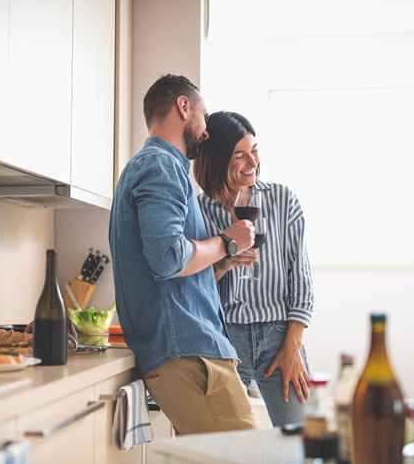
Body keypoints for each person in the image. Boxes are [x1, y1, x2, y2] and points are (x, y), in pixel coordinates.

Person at [109, 75, 258, 434]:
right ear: (184, 107)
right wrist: (228, 241)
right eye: (204, 118)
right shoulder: (162, 166)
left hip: (189, 349)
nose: (206, 131)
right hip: (189, 352)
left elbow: (172, 260)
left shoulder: (157, 167)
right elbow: (169, 258)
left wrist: (219, 260)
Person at [193, 111, 315, 427]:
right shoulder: (200, 210)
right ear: (218, 159)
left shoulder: (283, 200)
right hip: (225, 338)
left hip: (279, 337)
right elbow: (195, 283)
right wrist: (225, 261)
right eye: (240, 155)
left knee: (299, 439)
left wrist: (293, 346)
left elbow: (300, 277)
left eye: (255, 151)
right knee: (222, 444)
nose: (253, 162)